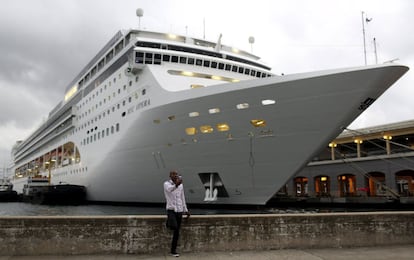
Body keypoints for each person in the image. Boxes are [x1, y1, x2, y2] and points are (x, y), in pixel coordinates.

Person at [163, 170, 190, 257]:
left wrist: (185, 209)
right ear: (170, 176)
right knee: (174, 226)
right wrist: (176, 185)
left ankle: (173, 250)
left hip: (179, 210)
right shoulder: (166, 184)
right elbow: (169, 190)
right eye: (173, 174)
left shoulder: (181, 185)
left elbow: (182, 197)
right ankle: (168, 223)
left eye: (176, 174)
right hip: (171, 209)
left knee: (177, 231)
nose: (175, 175)